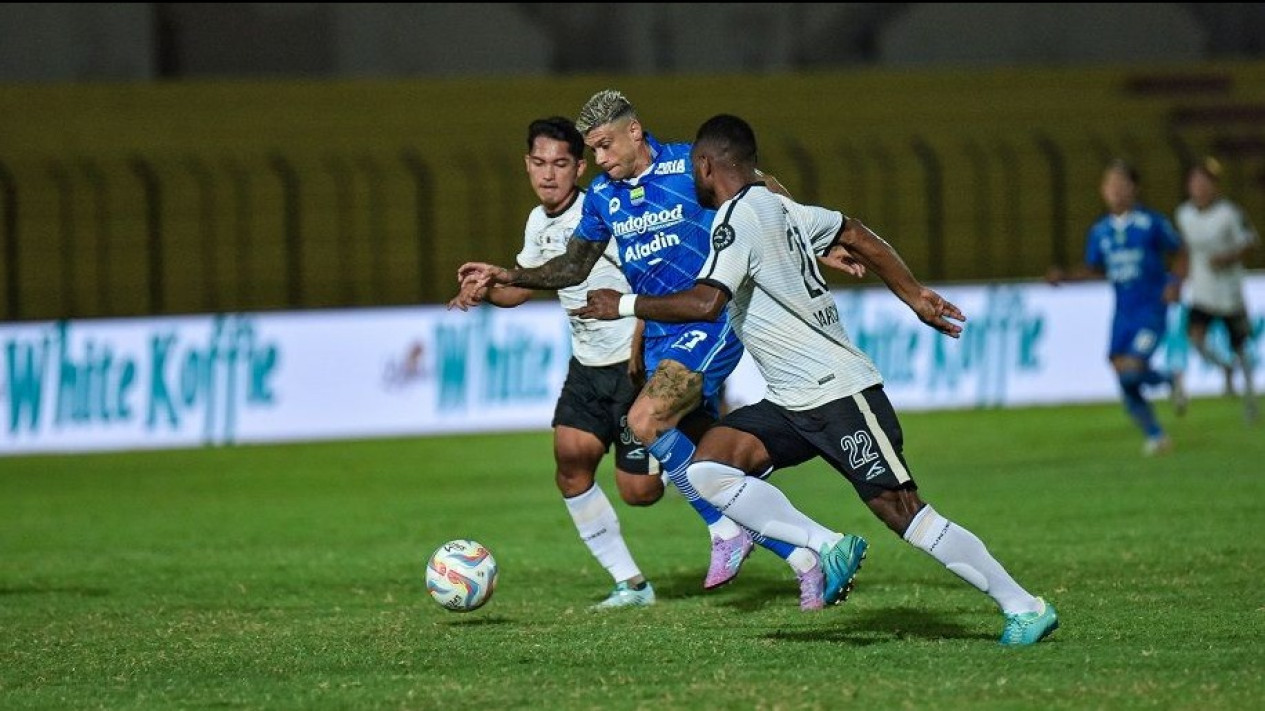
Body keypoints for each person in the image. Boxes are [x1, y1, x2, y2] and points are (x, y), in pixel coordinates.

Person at [573, 113, 1059, 646]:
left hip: (839, 392)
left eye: (694, 168)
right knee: (711, 469)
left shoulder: (737, 219)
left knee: (903, 513)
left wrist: (623, 304)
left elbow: (706, 302)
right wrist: (913, 294)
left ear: (706, 166)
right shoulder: (781, 207)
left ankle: (1024, 606)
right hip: (789, 399)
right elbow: (853, 231)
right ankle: (824, 545)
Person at [454, 90, 834, 609]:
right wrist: (508, 276)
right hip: (649, 344)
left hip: (703, 321)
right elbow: (573, 267)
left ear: (634, 131)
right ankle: (807, 555)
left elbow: (759, 188)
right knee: (703, 469)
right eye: (591, 150)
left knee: (651, 439)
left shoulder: (687, 166)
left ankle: (728, 530)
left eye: (602, 147)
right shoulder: (603, 198)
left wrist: (815, 236)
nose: (598, 160)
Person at [446, 117, 656, 608]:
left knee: (640, 492)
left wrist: (643, 339)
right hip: (587, 366)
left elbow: (650, 276)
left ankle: (697, 433)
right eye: (539, 163)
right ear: (527, 164)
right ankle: (631, 584)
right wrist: (487, 287)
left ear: (579, 167)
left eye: (560, 164)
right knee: (571, 466)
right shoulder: (538, 222)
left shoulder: (602, 211)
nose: (548, 174)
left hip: (634, 363)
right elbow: (522, 287)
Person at [1047, 159, 1187, 456]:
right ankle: (1156, 435)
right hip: (1123, 314)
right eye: (1110, 185)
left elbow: (1182, 251)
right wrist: (1065, 277)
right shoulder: (1101, 231)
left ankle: (1168, 379)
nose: (1115, 191)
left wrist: (1174, 282)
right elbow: (1094, 268)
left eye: (1121, 184)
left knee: (1132, 372)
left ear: (1134, 188)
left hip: (1151, 310)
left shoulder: (1151, 223)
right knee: (1123, 376)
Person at [1174, 157, 1258, 422]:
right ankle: (1224, 367)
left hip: (1230, 293)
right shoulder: (1184, 215)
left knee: (1241, 347)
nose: (1199, 187)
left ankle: (1250, 400)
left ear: (1215, 186)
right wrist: (1177, 281)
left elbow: (1249, 243)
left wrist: (1227, 258)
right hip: (1202, 291)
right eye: (1194, 182)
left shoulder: (1230, 213)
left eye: (1204, 182)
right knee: (1195, 339)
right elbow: (1185, 250)